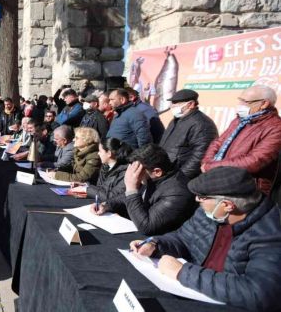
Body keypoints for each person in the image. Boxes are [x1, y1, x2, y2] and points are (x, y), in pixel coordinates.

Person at [130, 166, 281, 311]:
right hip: (193, 292)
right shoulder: (212, 213)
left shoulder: (271, 233)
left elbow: (260, 294)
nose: (196, 200)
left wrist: (183, 272)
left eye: (202, 197)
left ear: (227, 205)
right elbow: (182, 238)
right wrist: (155, 244)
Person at [95, 144, 195, 235]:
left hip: (159, 242)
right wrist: (107, 205)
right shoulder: (153, 177)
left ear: (157, 171)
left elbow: (147, 227)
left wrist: (131, 188)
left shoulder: (177, 193)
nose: (133, 173)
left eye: (138, 169)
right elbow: (126, 197)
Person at [201, 85, 281, 195]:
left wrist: (212, 166)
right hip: (218, 180)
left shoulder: (276, 127)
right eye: (240, 100)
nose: (240, 105)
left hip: (245, 190)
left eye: (245, 102)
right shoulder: (239, 120)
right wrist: (207, 161)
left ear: (264, 104)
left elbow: (254, 161)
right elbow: (218, 142)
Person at [159, 89, 218, 179]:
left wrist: (180, 177)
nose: (172, 106)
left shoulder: (202, 124)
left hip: (179, 176)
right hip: (167, 171)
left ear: (190, 104)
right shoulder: (176, 120)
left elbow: (200, 156)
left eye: (175, 103)